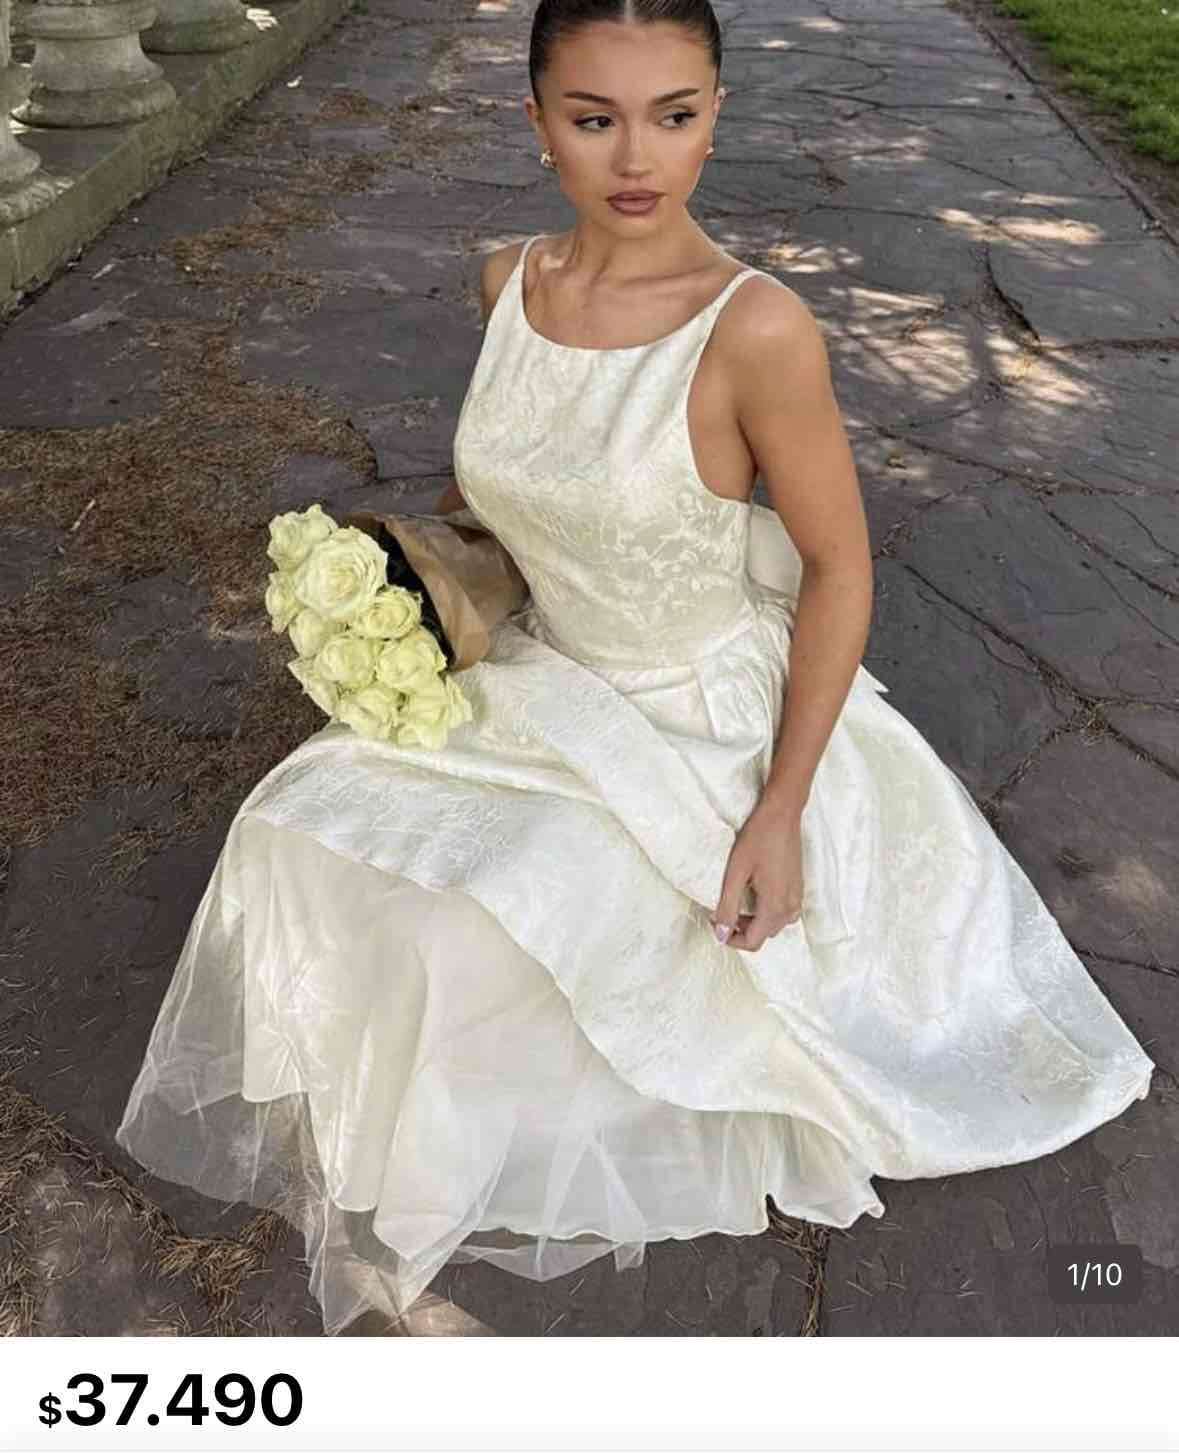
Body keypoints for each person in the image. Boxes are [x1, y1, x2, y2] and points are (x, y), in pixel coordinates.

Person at [115, 0, 1156, 1336]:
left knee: (474, 920)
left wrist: (779, 810)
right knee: (300, 828)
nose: (635, 156)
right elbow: (509, 494)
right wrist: (409, 601)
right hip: (548, 678)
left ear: (716, 109)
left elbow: (842, 571)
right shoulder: (510, 284)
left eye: (675, 113)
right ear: (537, 116)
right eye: (592, 116)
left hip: (707, 721)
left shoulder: (757, 331)